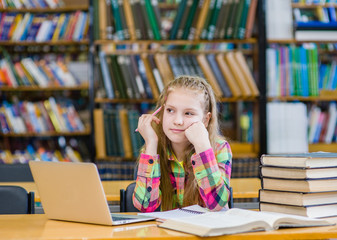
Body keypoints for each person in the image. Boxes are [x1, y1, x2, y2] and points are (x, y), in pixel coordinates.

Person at [133, 75, 232, 212]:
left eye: (188, 113)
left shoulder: (219, 148)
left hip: (207, 231)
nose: (178, 121)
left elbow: (216, 204)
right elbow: (145, 206)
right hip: (169, 231)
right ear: (161, 112)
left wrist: (202, 147)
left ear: (205, 119)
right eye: (170, 110)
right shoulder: (152, 150)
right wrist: (150, 143)